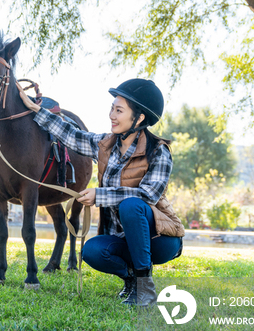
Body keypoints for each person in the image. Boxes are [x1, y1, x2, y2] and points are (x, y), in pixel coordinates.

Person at [18, 78, 184, 307]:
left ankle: (146, 287)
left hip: (160, 239)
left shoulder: (158, 151)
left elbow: (148, 195)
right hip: (123, 237)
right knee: (92, 251)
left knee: (132, 205)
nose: (111, 115)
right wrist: (35, 109)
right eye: (112, 109)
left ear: (139, 118)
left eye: (118, 110)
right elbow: (71, 135)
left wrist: (100, 195)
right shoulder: (105, 145)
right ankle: (133, 280)